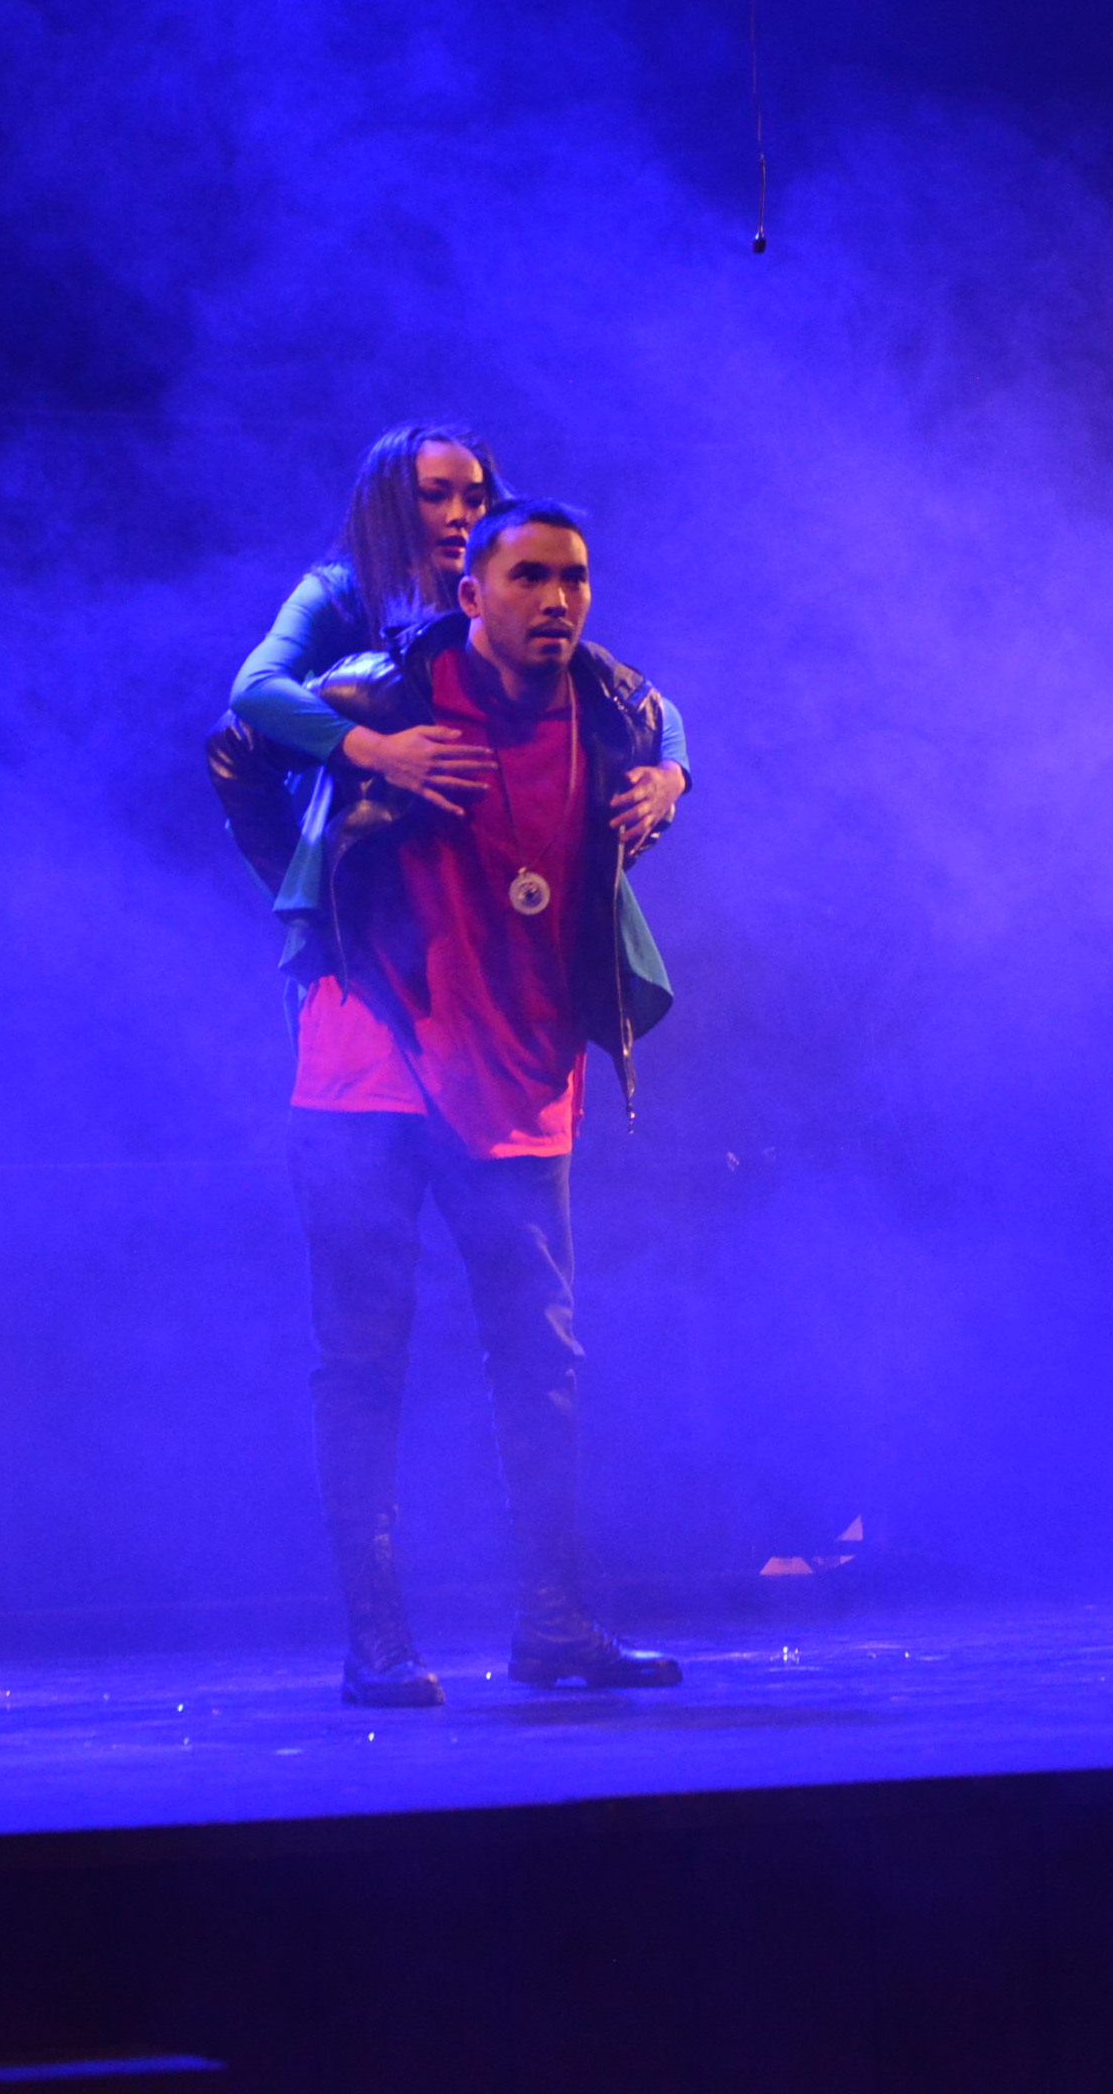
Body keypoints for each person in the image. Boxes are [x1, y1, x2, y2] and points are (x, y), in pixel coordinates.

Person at [277, 499, 685, 1704]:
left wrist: (672, 779)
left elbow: (672, 734)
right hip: (371, 1068)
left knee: (540, 1355)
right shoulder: (385, 691)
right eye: (527, 577)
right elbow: (242, 735)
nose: (555, 600)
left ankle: (555, 1621)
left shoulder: (613, 710)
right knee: (363, 1356)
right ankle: (376, 1642)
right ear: (470, 592)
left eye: (573, 578)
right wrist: (354, 776)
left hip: (517, 1070)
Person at [211, 423, 689, 890]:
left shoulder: (503, 593)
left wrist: (670, 777)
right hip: (368, 858)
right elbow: (254, 690)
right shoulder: (339, 590)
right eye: (434, 495)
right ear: (391, 504)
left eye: (475, 499)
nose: (460, 515)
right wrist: (377, 751)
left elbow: (636, 699)